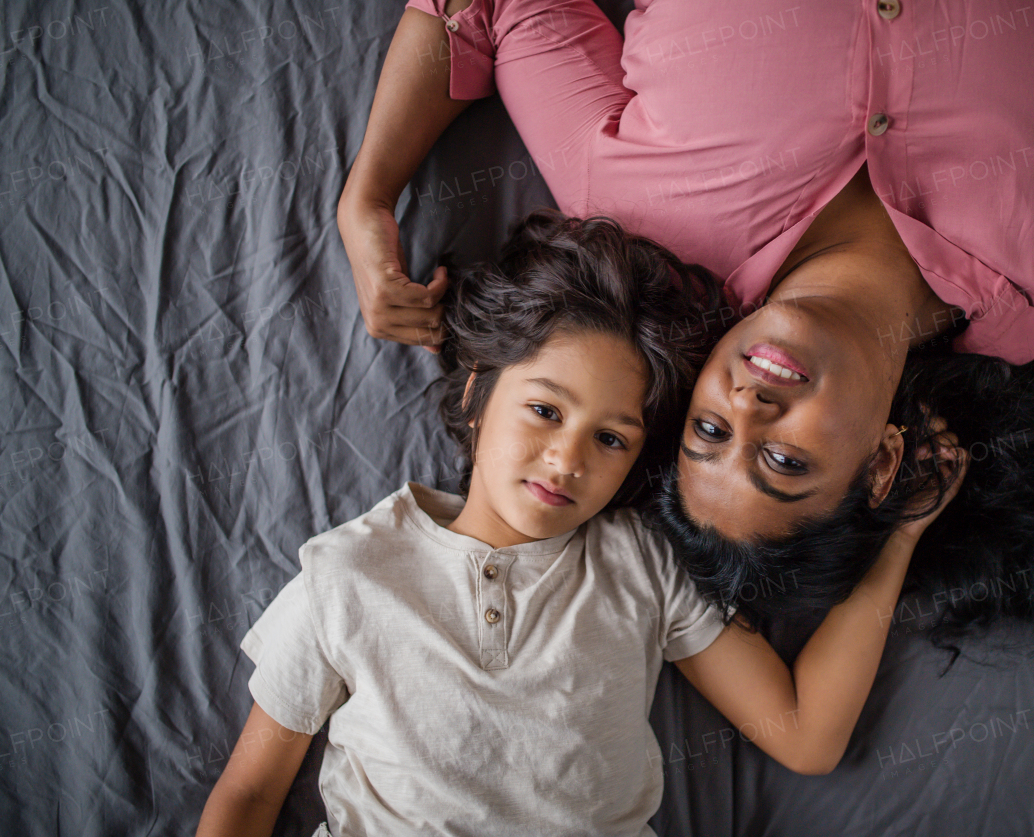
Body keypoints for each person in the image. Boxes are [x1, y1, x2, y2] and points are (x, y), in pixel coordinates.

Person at [338, 0, 1034, 663]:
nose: (747, 407)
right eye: (784, 461)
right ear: (883, 462)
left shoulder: (635, 214)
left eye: (709, 430)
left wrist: (368, 199)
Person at [195, 211, 968, 836]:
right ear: (475, 396)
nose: (566, 460)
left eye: (609, 439)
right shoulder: (347, 573)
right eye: (543, 409)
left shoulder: (638, 563)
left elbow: (805, 733)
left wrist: (902, 535)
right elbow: (249, 792)